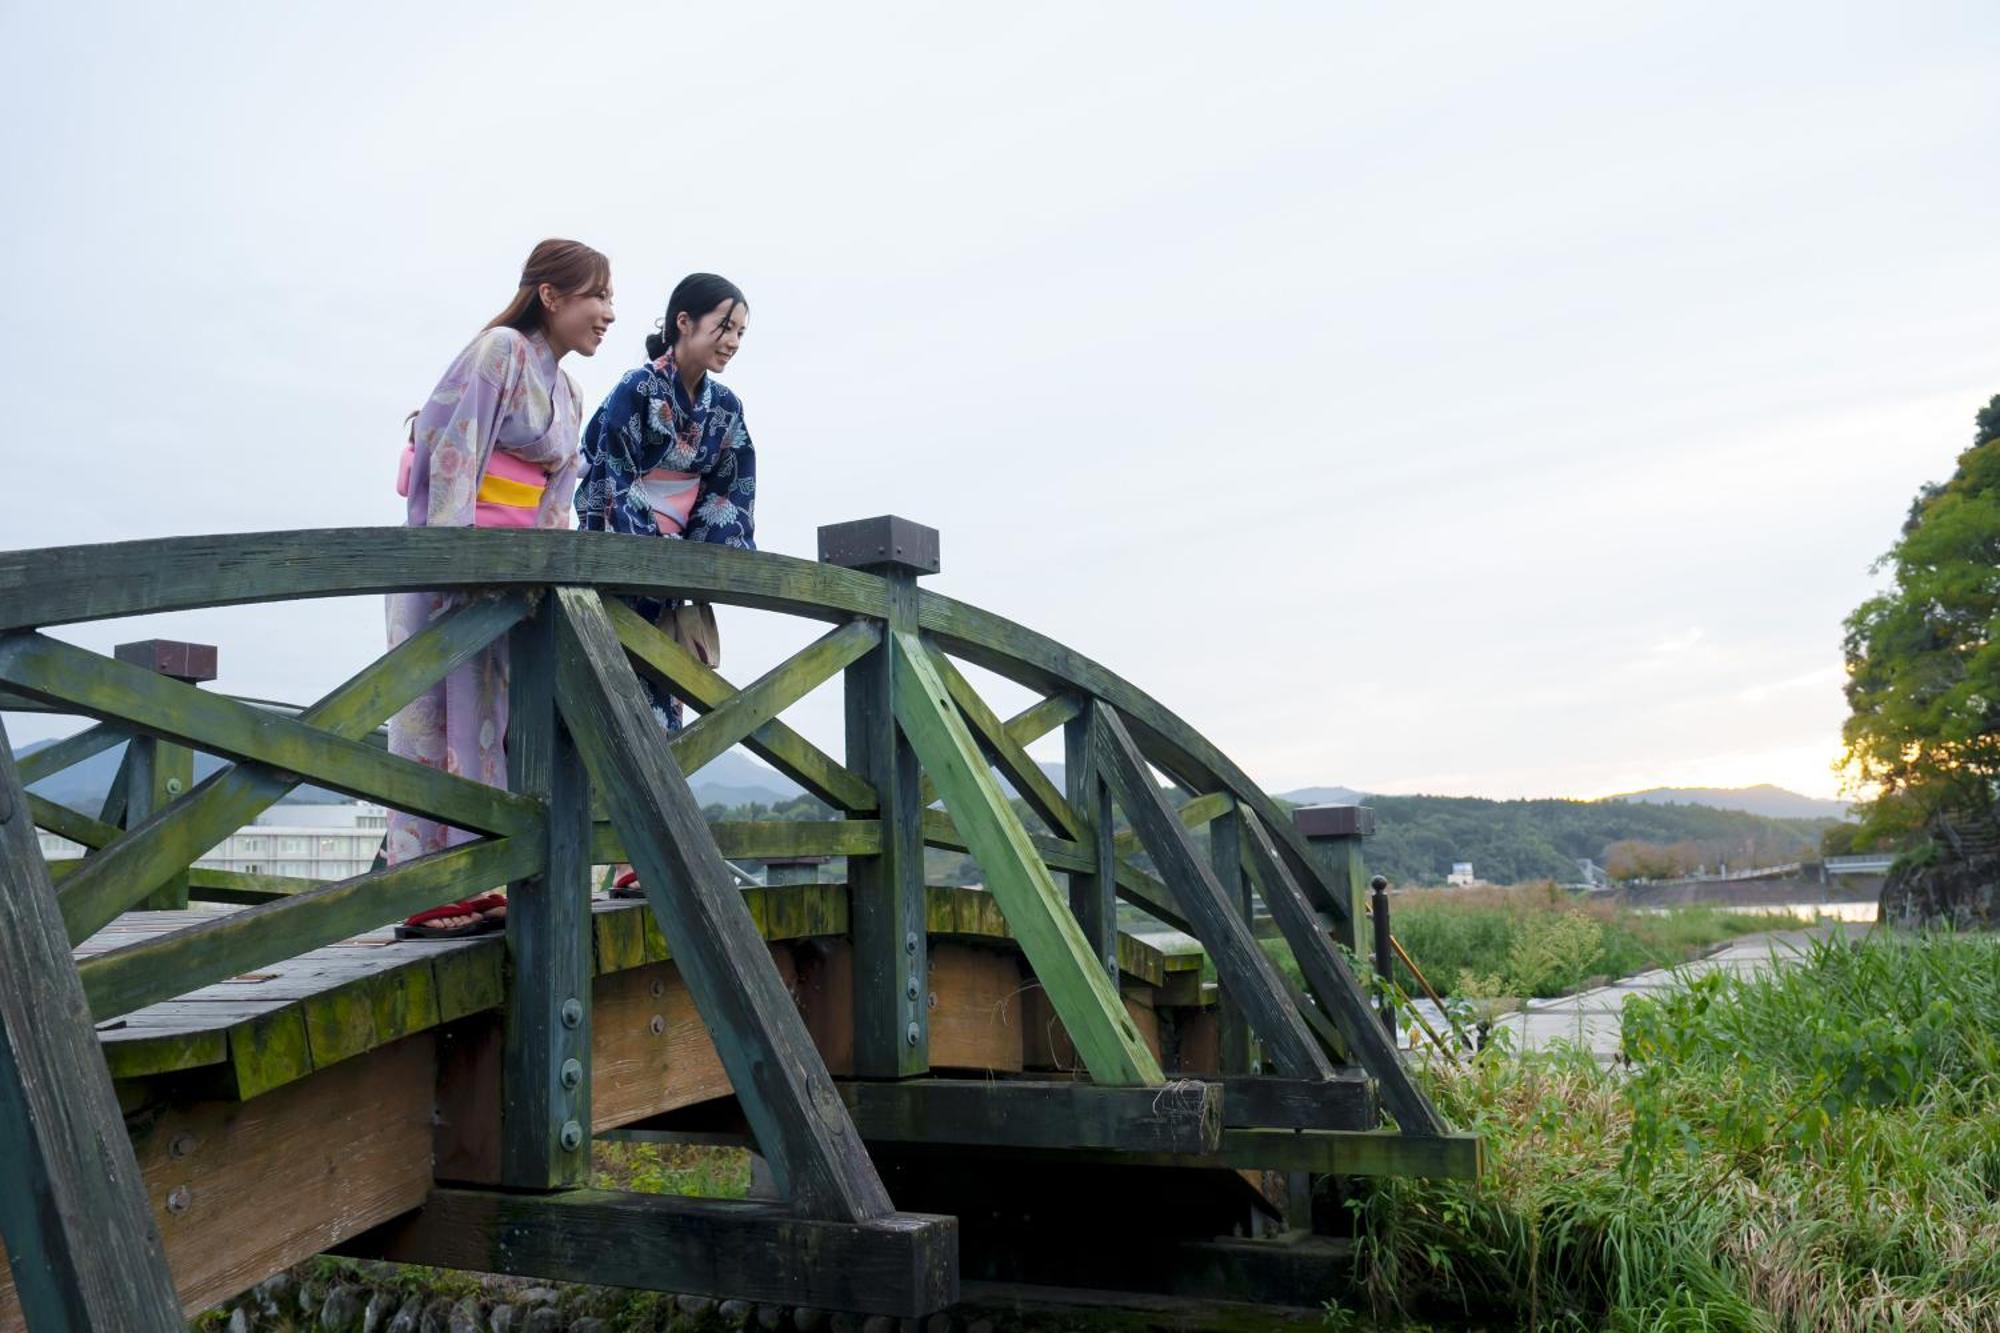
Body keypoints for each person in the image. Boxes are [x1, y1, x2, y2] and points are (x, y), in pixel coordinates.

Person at [388, 239, 615, 937]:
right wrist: (461, 564)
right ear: (551, 296)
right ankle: (425, 887)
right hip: (457, 569)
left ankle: (479, 875)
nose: (607, 314)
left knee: (489, 725)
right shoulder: (499, 353)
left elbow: (557, 501)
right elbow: (453, 453)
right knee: (432, 720)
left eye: (611, 301)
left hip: (512, 577)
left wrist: (537, 579)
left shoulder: (570, 392)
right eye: (596, 297)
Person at [574, 273, 755, 894]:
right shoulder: (635, 391)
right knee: (602, 706)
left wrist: (700, 560)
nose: (731, 342)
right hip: (623, 568)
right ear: (683, 322)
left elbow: (731, 489)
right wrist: (645, 551)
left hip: (674, 570)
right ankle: (591, 852)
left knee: (661, 713)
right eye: (723, 327)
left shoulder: (726, 410)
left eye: (739, 333)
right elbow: (606, 474)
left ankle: (638, 861)